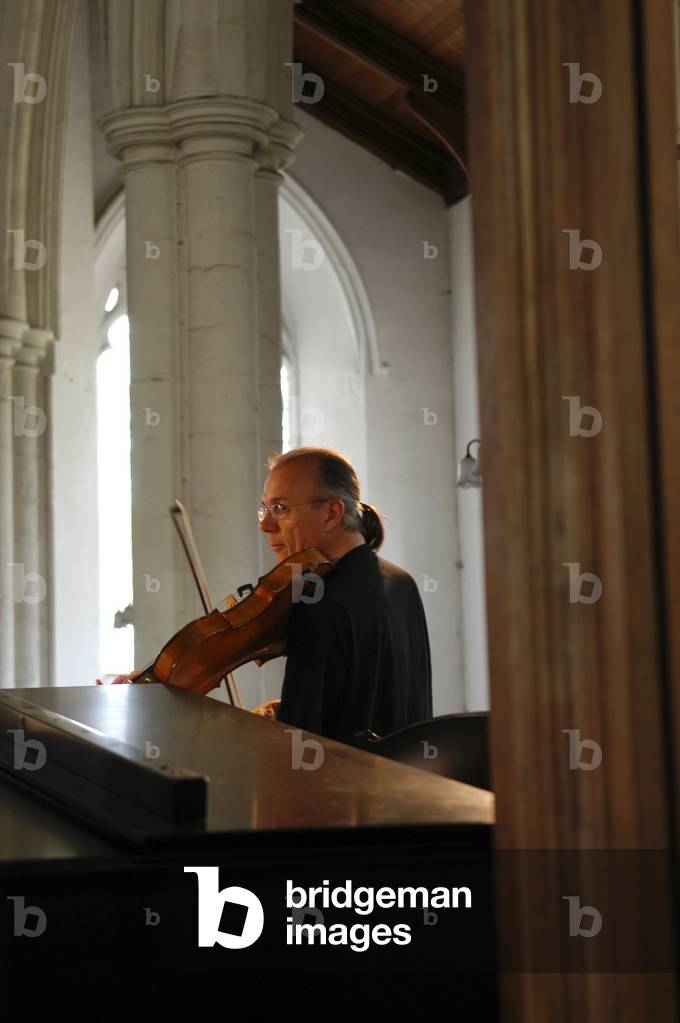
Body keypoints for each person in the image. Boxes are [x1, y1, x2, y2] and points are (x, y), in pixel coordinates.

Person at [100, 446, 433, 745]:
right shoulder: (401, 583)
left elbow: (298, 746)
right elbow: (369, 704)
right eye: (265, 510)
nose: (266, 525)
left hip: (340, 792)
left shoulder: (320, 605)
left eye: (280, 508)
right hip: (403, 785)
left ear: (332, 513)